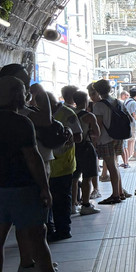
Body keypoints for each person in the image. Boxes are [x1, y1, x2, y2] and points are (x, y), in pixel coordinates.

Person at [0, 76, 84, 272]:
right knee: (37, 233)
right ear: (17, 95)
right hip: (22, 186)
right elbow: (32, 157)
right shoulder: (20, 122)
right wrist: (45, 188)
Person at [46, 92, 82, 241]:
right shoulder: (42, 115)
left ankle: (63, 229)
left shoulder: (67, 114)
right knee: (51, 199)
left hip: (63, 165)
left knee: (61, 199)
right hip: (49, 166)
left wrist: (65, 139)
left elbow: (78, 136)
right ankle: (52, 228)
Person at [90, 80, 130, 203]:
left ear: (97, 91)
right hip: (118, 137)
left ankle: (115, 195)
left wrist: (94, 140)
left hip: (105, 139)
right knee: (115, 165)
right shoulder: (118, 102)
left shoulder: (99, 105)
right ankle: (120, 192)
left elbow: (98, 125)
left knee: (111, 167)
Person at [69, 89, 101, 215]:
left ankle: (73, 205)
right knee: (87, 177)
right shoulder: (89, 116)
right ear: (85, 101)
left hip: (73, 148)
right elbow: (97, 133)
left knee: (74, 178)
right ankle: (86, 205)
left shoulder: (69, 113)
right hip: (86, 147)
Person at [124, 87, 136, 162]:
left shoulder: (126, 100)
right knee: (132, 140)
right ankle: (130, 156)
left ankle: (128, 156)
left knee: (128, 140)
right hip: (132, 123)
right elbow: (134, 114)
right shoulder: (133, 102)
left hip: (126, 122)